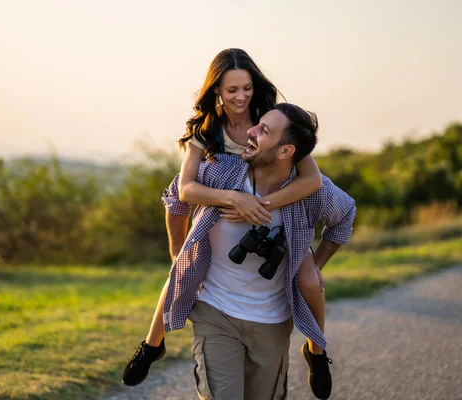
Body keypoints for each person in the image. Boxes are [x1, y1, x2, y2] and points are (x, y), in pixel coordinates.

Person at [122, 49, 333, 398]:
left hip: (279, 213)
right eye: (232, 90)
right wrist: (235, 200)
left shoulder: (273, 124)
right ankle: (151, 345)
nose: (241, 97)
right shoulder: (208, 131)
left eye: (247, 88)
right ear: (216, 90)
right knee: (180, 266)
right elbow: (186, 188)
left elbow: (312, 181)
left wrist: (260, 205)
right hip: (220, 210)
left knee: (309, 278)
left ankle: (317, 351)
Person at [167, 103, 355, 399]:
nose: (250, 131)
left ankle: (316, 352)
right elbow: (176, 193)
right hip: (215, 312)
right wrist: (178, 253)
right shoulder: (223, 174)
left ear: (285, 152)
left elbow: (345, 215)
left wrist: (314, 265)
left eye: (263, 130)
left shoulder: (311, 194)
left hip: (272, 320)